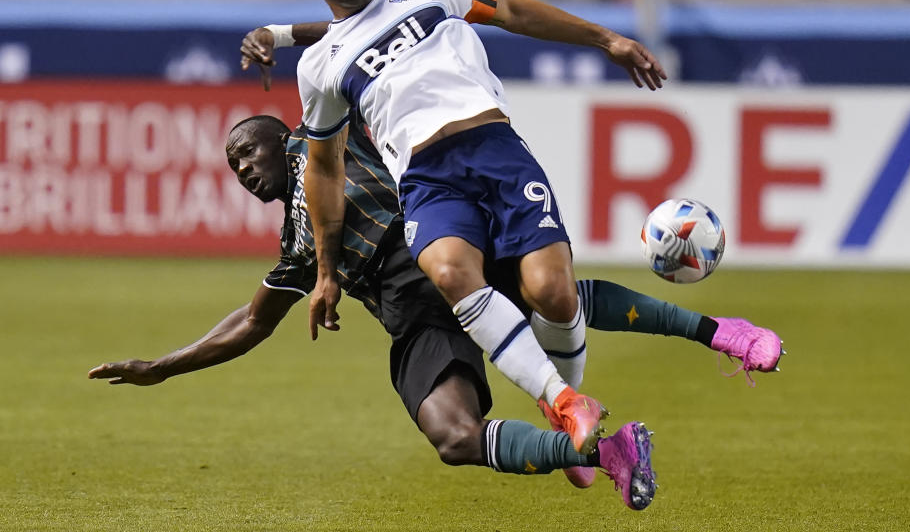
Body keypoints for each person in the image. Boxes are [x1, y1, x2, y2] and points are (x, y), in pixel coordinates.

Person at [88, 114, 782, 510]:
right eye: (232, 165)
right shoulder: (301, 242)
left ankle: (723, 333)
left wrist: (278, 36)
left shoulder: (332, 138)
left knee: (557, 296)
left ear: (283, 135)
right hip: (414, 317)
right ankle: (609, 450)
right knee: (452, 438)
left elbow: (353, 54)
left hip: (449, 245)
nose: (241, 167)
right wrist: (163, 367)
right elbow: (252, 320)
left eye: (247, 149)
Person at [286, 0, 669, 457]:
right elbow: (325, 168)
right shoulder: (320, 65)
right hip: (425, 178)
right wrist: (326, 272)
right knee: (447, 270)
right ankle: (565, 402)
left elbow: (510, 10)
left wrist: (604, 38)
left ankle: (569, 420)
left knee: (554, 295)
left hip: (496, 151)